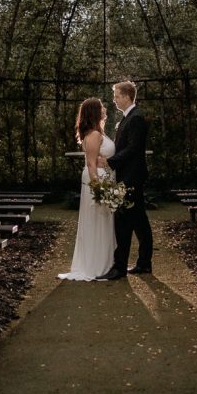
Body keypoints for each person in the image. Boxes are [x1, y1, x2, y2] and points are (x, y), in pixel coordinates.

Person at [57, 97, 116, 281]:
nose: (104, 109)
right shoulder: (94, 135)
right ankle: (96, 266)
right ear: (95, 113)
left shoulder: (98, 132)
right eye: (101, 108)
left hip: (103, 178)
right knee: (97, 222)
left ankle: (105, 263)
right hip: (96, 181)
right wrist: (98, 188)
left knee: (103, 223)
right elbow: (91, 165)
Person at [101, 80, 152, 279]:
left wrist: (109, 162)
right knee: (140, 222)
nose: (114, 100)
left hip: (131, 177)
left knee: (122, 221)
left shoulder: (136, 118)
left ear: (127, 96)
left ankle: (120, 268)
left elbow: (132, 149)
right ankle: (144, 263)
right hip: (128, 176)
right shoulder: (127, 118)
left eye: (117, 96)